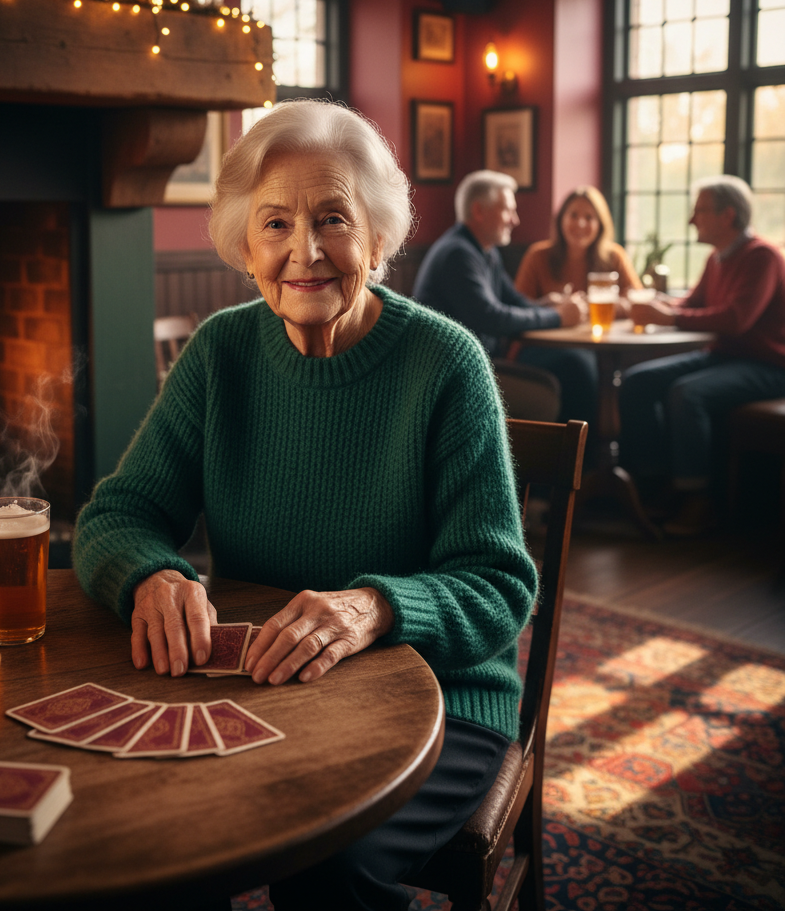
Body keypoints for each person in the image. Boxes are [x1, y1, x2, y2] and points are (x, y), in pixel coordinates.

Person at [73, 101, 539, 911]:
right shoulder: (221, 352)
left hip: (439, 701)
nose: (306, 252)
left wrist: (375, 606)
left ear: (380, 236)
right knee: (131, 833)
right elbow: (118, 514)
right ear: (244, 245)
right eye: (276, 223)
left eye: (333, 219)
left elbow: (499, 583)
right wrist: (152, 573)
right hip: (263, 686)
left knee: (327, 862)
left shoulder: (446, 364)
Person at [620, 175, 785, 536]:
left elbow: (737, 319)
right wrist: (652, 306)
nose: (692, 220)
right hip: (726, 357)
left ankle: (699, 500)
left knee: (687, 392)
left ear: (727, 215)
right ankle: (657, 480)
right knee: (638, 381)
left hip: (768, 365)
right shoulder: (717, 258)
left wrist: (670, 316)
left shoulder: (762, 256)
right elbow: (692, 304)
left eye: (700, 212)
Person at [412, 170, 594, 423]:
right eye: (508, 210)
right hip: (452, 373)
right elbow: (491, 318)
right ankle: (568, 460)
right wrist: (558, 316)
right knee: (556, 387)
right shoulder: (458, 254)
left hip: (482, 361)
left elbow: (515, 302)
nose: (515, 220)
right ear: (478, 211)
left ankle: (584, 459)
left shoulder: (486, 251)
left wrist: (548, 304)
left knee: (577, 362)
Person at [514, 185, 642, 317]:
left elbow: (638, 301)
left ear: (600, 225)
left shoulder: (615, 256)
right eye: (573, 215)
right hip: (552, 337)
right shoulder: (537, 256)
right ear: (561, 219)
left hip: (604, 336)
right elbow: (519, 307)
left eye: (589, 217)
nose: (580, 223)